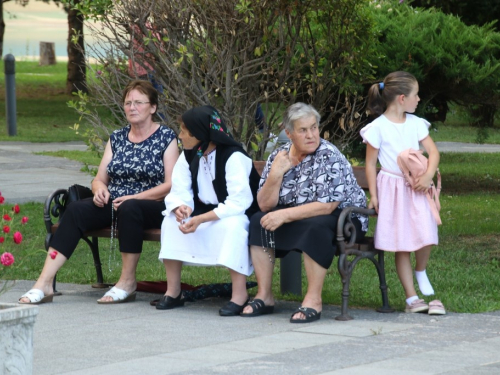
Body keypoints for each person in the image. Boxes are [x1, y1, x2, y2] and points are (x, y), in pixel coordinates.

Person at [19, 80, 179, 305]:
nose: (132, 107)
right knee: (76, 210)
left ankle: (127, 282)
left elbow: (171, 184)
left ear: (152, 107)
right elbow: (99, 178)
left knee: (130, 207)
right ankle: (44, 283)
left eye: (138, 102)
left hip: (151, 203)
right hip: (115, 202)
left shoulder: (166, 137)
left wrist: (134, 197)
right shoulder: (117, 138)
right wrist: (100, 190)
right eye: (128, 103)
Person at [241, 102, 368, 323]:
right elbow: (264, 205)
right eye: (303, 130)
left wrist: (284, 216)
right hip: (300, 216)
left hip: (344, 218)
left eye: (314, 128)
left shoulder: (328, 155)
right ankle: (265, 295)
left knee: (315, 226)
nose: (311, 135)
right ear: (289, 134)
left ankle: (313, 299)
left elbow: (327, 206)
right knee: (257, 221)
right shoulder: (279, 156)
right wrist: (275, 175)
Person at [157, 105, 260, 316]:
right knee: (170, 221)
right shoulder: (188, 155)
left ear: (200, 134)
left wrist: (202, 219)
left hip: (235, 213)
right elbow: (179, 190)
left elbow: (239, 201)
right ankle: (174, 291)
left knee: (234, 226)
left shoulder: (233, 156)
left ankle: (239, 295)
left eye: (184, 131)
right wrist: (181, 207)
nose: (180, 135)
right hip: (204, 212)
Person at [360, 71, 445, 315]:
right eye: (415, 95)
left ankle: (421, 270)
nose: (418, 99)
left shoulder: (417, 124)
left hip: (417, 187)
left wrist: (428, 175)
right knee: (402, 244)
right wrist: (375, 195)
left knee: (427, 232)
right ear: (401, 98)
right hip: (393, 189)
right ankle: (411, 298)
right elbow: (369, 164)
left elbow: (434, 153)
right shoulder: (377, 128)